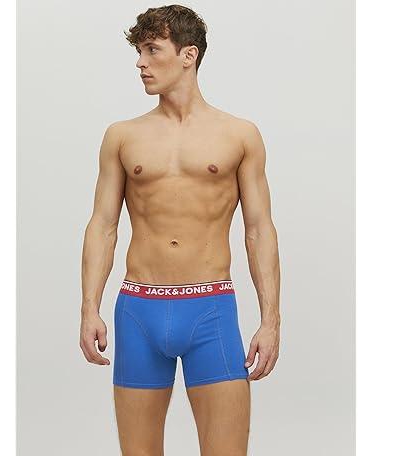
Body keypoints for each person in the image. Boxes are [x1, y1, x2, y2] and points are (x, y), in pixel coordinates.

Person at [79, 4, 280, 455]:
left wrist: (271, 320)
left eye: (152, 50)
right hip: (138, 310)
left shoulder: (239, 135)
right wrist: (89, 307)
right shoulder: (122, 136)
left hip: (211, 310)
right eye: (139, 52)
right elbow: (103, 225)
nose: (141, 62)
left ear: (189, 55)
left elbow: (258, 230)